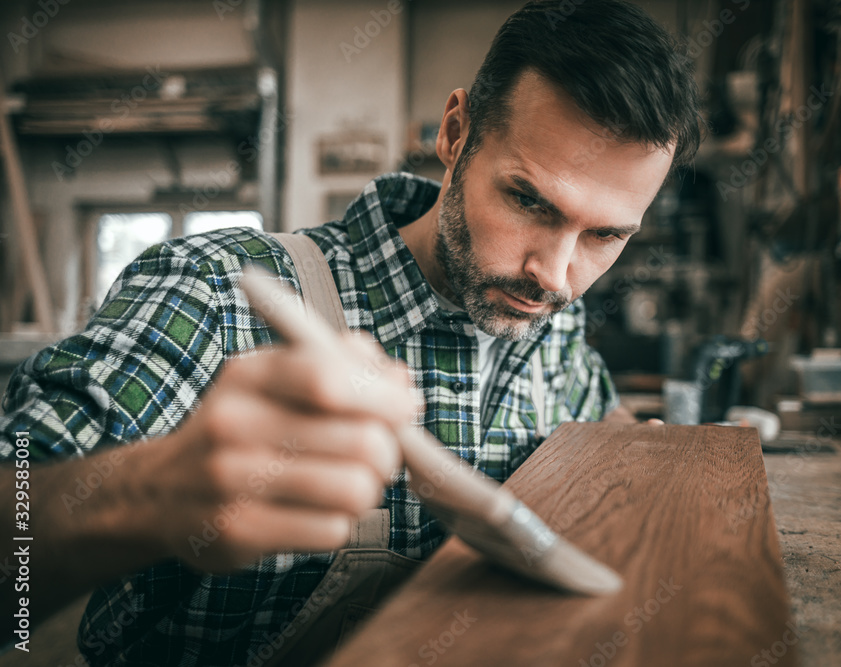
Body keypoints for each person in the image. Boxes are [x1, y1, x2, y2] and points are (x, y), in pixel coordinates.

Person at [0, 0, 702, 664]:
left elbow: (613, 432)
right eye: (528, 200)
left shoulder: (555, 329)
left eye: (605, 234)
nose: (554, 274)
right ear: (455, 133)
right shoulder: (214, 293)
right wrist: (150, 492)